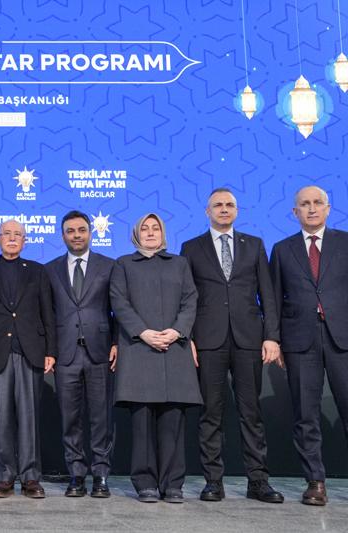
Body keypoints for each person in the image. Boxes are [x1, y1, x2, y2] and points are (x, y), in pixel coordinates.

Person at [180, 188, 284, 503]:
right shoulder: (191, 247)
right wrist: (188, 338)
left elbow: (268, 295)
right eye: (218, 205)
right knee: (211, 414)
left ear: (236, 211)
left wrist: (271, 336)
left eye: (229, 205)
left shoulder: (254, 245)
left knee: (251, 414)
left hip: (248, 339)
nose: (224, 209)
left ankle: (258, 481)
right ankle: (213, 482)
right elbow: (186, 297)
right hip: (208, 340)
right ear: (207, 211)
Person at [109, 213, 201, 503]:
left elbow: (190, 300)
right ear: (137, 234)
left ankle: (173, 484)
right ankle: (145, 483)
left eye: (155, 228)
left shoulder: (179, 263)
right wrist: (143, 332)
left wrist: (177, 331)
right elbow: (119, 302)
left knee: (173, 422)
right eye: (145, 229)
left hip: (174, 349)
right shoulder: (124, 264)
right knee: (142, 424)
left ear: (163, 233)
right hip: (139, 349)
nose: (150, 232)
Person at [270, 185, 348, 506]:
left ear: (328, 209)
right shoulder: (282, 249)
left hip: (343, 338)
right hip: (299, 340)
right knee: (306, 414)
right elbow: (273, 299)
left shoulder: (345, 243)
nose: (312, 208)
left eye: (317, 203)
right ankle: (315, 482)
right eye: (305, 204)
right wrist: (274, 339)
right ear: (295, 212)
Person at [0, 219, 56, 499]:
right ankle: (4, 477)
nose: (12, 238)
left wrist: (51, 350)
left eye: (18, 234)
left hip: (30, 352)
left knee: (29, 419)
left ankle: (31, 478)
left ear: (25, 240)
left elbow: (48, 313)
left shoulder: (38, 272)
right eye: (7, 233)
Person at [45, 210, 116, 498]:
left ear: (90, 232)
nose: (76, 235)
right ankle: (76, 474)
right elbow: (47, 315)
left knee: (102, 418)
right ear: (63, 235)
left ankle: (101, 475)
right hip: (65, 355)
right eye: (70, 231)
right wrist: (50, 351)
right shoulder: (50, 269)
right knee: (69, 419)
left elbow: (119, 309)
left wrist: (117, 342)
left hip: (100, 352)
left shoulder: (109, 266)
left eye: (81, 230)